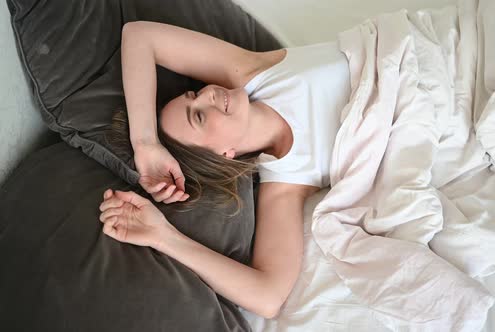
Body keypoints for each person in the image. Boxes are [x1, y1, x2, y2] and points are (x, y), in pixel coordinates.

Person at [98, 21, 351, 319]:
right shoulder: (288, 182)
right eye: (200, 118)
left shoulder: (255, 72)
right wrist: (163, 236)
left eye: (193, 96)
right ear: (223, 156)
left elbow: (139, 35)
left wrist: (145, 143)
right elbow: (268, 297)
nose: (208, 95)